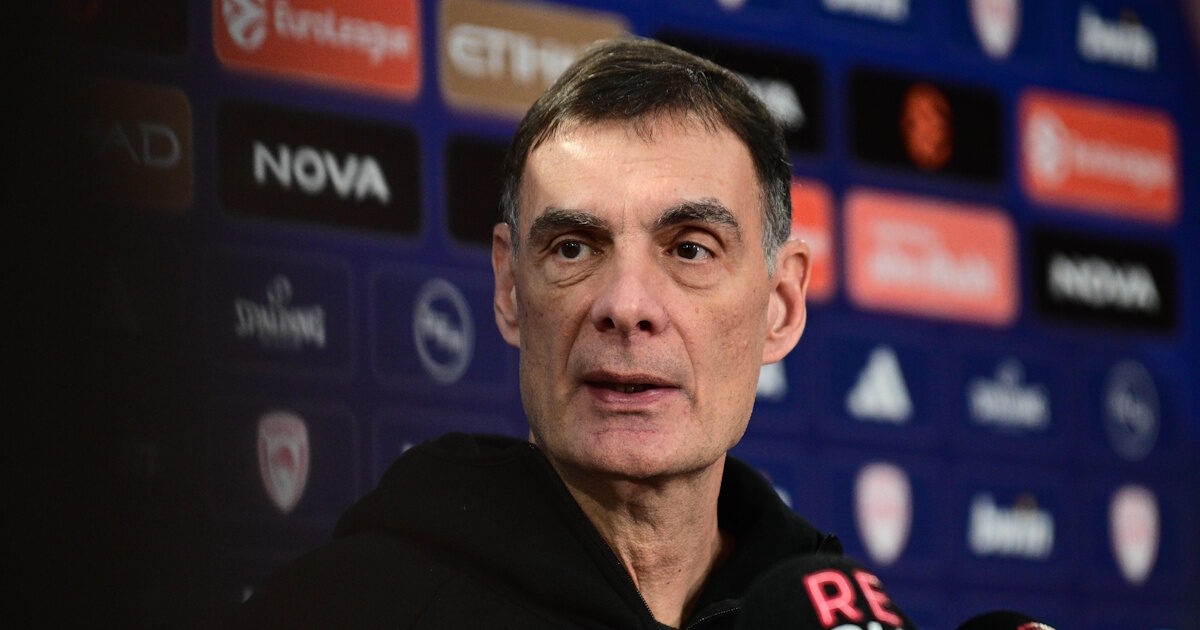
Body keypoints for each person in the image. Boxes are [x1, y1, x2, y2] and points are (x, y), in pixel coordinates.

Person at [230, 36, 838, 629]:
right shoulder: (331, 612)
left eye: (690, 249)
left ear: (781, 305)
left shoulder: (834, 617)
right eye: (573, 248)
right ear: (509, 289)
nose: (626, 306)